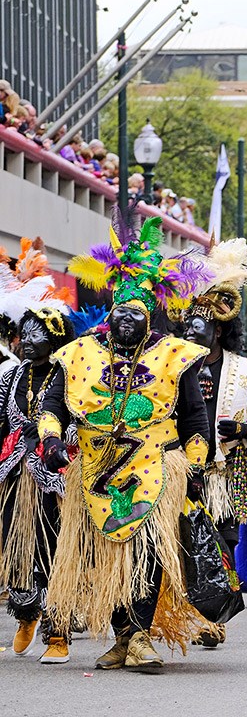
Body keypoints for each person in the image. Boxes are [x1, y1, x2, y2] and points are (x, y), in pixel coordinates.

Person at [40, 216, 212, 671]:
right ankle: (124, 637)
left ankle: (138, 636)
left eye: (135, 315)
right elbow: (53, 405)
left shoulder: (175, 355)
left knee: (148, 549)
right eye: (119, 315)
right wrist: (53, 442)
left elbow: (195, 417)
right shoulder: (79, 353)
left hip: (156, 465)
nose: (126, 322)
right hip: (95, 468)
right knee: (107, 555)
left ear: (149, 315)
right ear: (110, 313)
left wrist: (195, 465)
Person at [180, 238, 247, 647]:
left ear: (219, 328)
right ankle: (198, 613)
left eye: (200, 324)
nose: (192, 330)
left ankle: (214, 616)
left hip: (225, 476)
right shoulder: (170, 364)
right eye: (188, 324)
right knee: (187, 544)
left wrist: (245, 431)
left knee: (222, 544)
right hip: (181, 472)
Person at [0, 239, 75, 663]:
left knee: (53, 549)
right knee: (15, 547)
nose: (25, 341)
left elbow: (80, 419)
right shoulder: (10, 378)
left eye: (36, 335)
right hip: (12, 474)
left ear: (55, 339)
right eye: (22, 335)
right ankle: (27, 613)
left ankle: (58, 631)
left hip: (56, 475)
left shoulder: (69, 376)